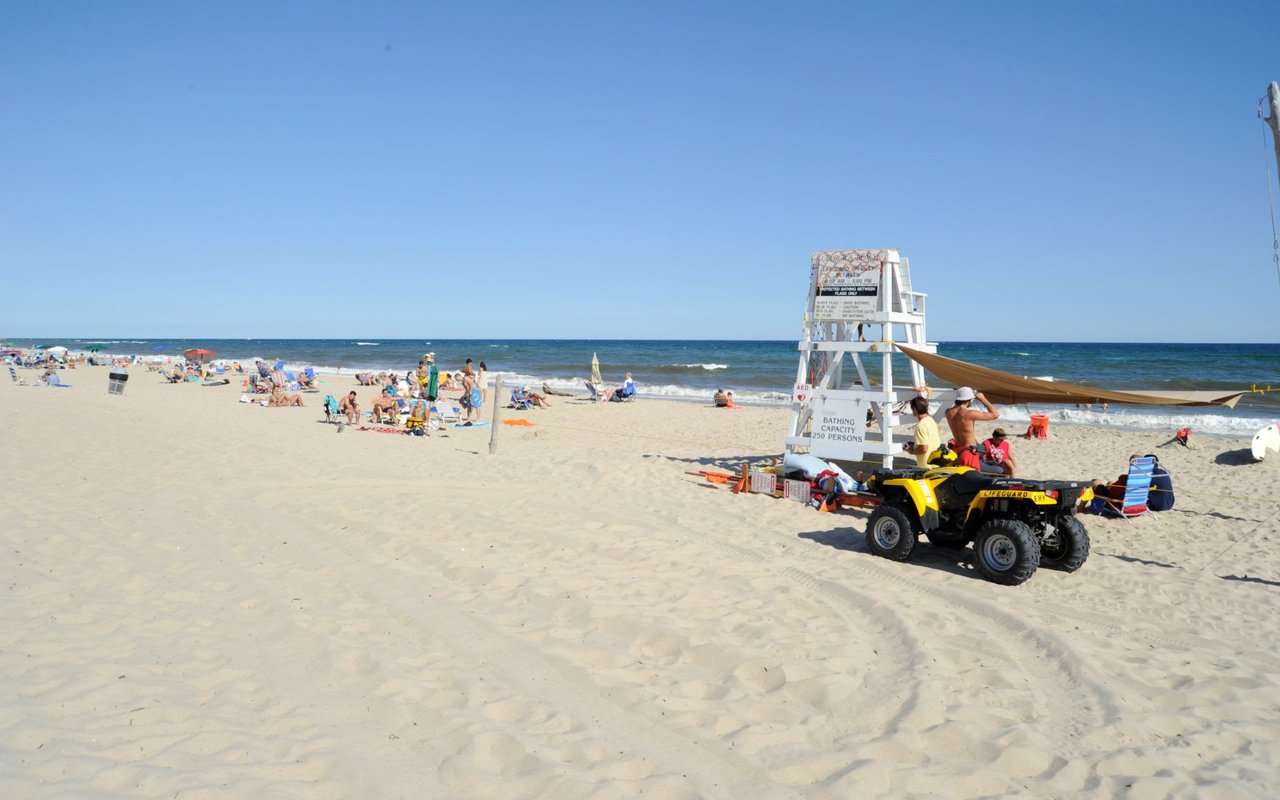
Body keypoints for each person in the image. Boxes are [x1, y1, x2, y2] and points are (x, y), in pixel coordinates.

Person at [944, 387, 999, 470]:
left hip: (957, 451)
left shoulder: (948, 412)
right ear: (969, 400)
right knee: (973, 480)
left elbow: (957, 407)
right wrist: (983, 399)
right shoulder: (969, 413)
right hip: (969, 453)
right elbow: (995, 414)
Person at [903, 395, 940, 468]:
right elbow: (930, 441)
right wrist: (917, 445)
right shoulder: (931, 420)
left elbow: (924, 449)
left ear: (915, 409)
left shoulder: (920, 426)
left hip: (926, 467)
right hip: (936, 463)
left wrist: (912, 451)